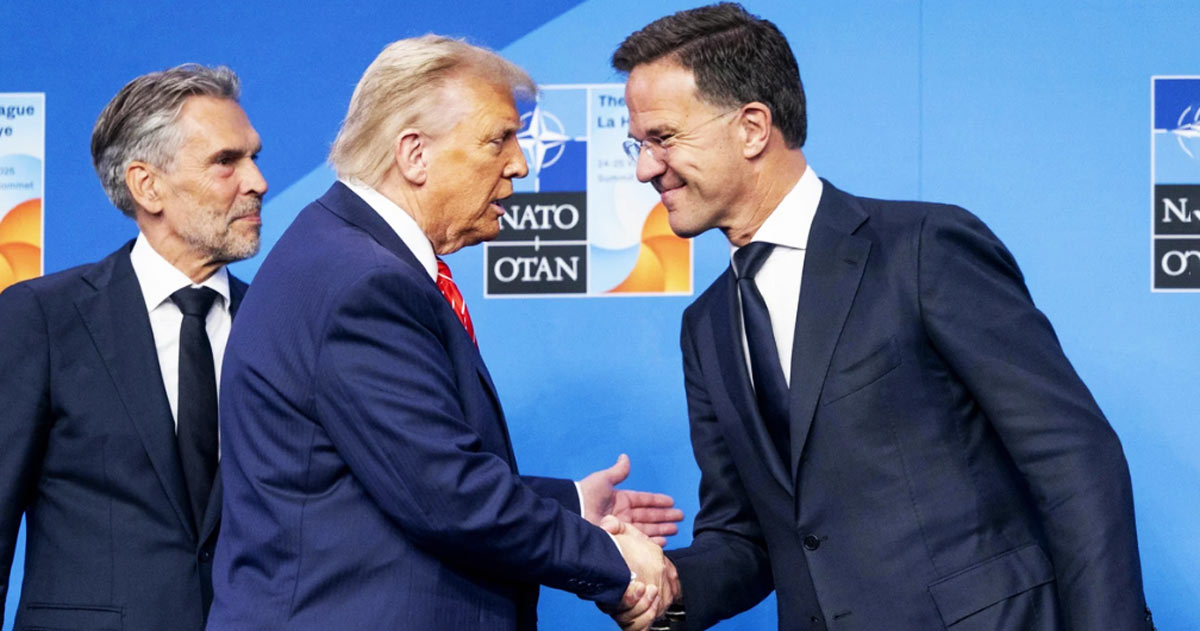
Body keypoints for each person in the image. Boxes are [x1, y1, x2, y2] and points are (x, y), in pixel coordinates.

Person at [603, 4, 1154, 630]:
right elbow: (746, 536)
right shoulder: (706, 327)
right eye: (638, 144)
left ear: (753, 128)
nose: (645, 168)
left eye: (664, 138)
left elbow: (1073, 458)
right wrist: (662, 583)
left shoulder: (922, 249)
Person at [207, 35, 680, 630]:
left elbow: (394, 469)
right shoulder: (363, 282)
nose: (520, 164)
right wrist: (612, 563)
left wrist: (574, 504)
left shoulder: (341, 251)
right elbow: (446, 494)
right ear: (415, 154)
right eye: (498, 139)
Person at [0, 64, 266, 631]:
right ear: (148, 186)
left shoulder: (279, 324)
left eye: (254, 157)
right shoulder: (42, 318)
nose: (257, 182)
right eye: (226, 161)